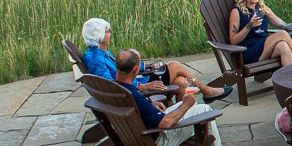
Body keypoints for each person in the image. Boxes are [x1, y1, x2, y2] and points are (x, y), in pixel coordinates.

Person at [115, 49, 237, 146]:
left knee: (192, 107)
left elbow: (142, 109)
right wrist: (186, 105)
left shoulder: (117, 89)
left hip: (136, 141)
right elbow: (165, 123)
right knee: (204, 110)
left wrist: (152, 104)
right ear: (136, 70)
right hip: (156, 143)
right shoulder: (134, 95)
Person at [80, 17, 231, 101]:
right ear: (99, 35)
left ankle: (184, 120)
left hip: (136, 84)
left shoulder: (100, 53)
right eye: (108, 31)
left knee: (181, 83)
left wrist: (147, 67)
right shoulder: (95, 60)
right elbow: (111, 86)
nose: (110, 34)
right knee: (175, 65)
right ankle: (207, 91)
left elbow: (123, 69)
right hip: (136, 88)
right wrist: (144, 87)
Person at [229, 0, 292, 68]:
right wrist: (249, 26)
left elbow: (284, 25)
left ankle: (290, 79)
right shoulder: (236, 12)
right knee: (282, 34)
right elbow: (233, 41)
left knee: (283, 46)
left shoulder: (263, 9)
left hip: (264, 49)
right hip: (248, 52)